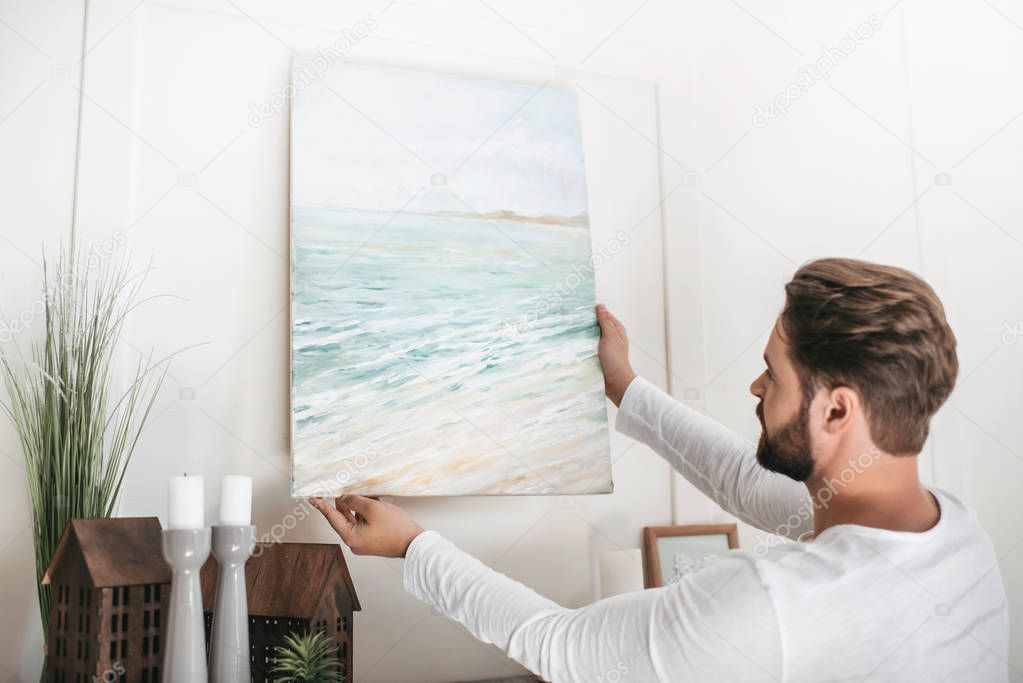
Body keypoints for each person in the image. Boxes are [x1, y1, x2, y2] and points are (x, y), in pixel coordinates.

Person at [310, 257, 1009, 682]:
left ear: (836, 412)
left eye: (774, 372)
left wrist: (410, 546)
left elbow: (562, 647)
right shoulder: (952, 531)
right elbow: (744, 478)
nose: (755, 388)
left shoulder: (778, 603)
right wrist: (624, 388)